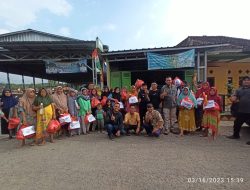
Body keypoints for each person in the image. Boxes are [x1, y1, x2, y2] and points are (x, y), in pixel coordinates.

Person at [227, 76, 250, 145]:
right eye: (245, 80)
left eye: (248, 80)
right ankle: (236, 135)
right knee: (237, 124)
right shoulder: (239, 90)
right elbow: (234, 98)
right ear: (242, 82)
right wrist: (232, 98)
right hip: (241, 111)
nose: (246, 81)